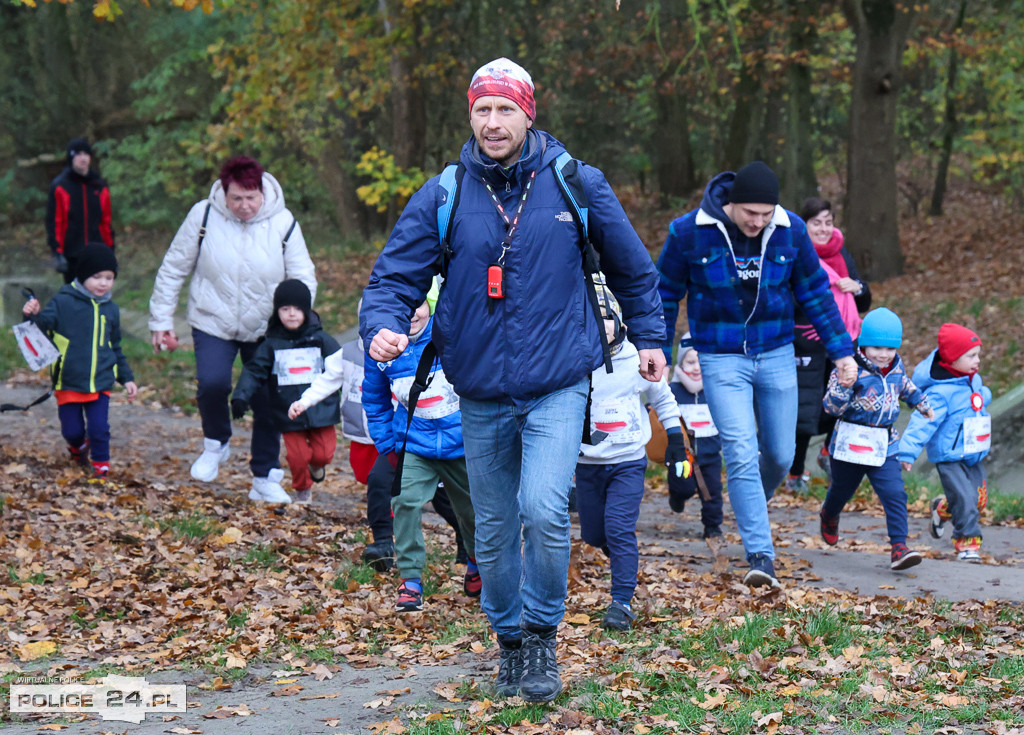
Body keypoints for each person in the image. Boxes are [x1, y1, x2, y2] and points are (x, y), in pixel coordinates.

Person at [360, 58, 666, 702]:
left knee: (545, 508)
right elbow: (393, 277)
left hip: (558, 379)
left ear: (530, 113)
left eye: (505, 109)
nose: (493, 122)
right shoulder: (445, 193)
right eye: (482, 109)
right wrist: (382, 326)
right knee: (494, 526)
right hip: (479, 387)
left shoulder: (575, 183)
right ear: (469, 114)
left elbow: (635, 270)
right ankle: (509, 641)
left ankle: (542, 636)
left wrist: (652, 339)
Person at [657, 161, 857, 588]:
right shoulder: (688, 232)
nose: (758, 222)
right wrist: (656, 346)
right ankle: (760, 555)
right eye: (750, 213)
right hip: (720, 354)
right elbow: (666, 293)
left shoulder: (791, 230)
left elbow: (815, 294)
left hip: (776, 351)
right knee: (741, 452)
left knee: (782, 455)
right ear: (730, 203)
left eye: (766, 214)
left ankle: (751, 503)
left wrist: (841, 352)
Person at [148, 156, 316, 502]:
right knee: (213, 384)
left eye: (251, 198)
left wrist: (296, 319)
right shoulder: (203, 216)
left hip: (267, 327)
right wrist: (161, 320)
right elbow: (173, 268)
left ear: (262, 192)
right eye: (236, 198)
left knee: (267, 400)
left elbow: (303, 276)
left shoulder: (283, 222)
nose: (244, 206)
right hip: (212, 318)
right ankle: (216, 443)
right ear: (224, 194)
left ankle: (265, 477)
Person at [289, 300, 470, 570]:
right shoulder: (353, 352)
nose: (409, 315)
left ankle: (466, 543)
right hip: (381, 437)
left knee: (443, 497)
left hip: (429, 442)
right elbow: (351, 389)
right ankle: (383, 543)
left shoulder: (432, 342)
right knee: (378, 482)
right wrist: (305, 401)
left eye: (417, 306)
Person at [574, 284, 688, 632]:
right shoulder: (574, 359)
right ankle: (624, 560)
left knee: (619, 529)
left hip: (627, 461)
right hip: (586, 462)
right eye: (595, 319)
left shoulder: (639, 359)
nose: (602, 325)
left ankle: (621, 602)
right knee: (594, 534)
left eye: (607, 318)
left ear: (619, 320)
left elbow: (664, 400)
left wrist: (676, 442)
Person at [360, 300, 478, 613]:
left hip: (461, 444)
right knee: (405, 502)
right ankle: (411, 580)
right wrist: (388, 443)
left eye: (419, 304)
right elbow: (374, 398)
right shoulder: (382, 346)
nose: (412, 313)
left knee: (470, 512)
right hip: (414, 443)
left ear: (432, 304)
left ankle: (477, 560)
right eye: (405, 306)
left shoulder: (453, 331)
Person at [818, 308, 934, 571]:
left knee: (894, 493)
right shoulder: (849, 368)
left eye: (890, 349)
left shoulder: (895, 367)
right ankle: (829, 513)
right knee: (842, 490)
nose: (883, 354)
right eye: (876, 347)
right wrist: (843, 387)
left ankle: (899, 547)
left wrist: (921, 402)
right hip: (851, 443)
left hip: (885, 442)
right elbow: (831, 408)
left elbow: (904, 385)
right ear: (863, 344)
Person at [21, 244, 137, 478]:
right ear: (83, 275)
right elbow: (43, 325)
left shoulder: (111, 309)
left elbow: (115, 347)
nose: (103, 283)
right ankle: (78, 447)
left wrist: (127, 378)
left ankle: (101, 466)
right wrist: (31, 314)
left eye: (109, 277)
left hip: (100, 381)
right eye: (97, 277)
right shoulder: (64, 302)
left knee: (99, 428)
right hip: (69, 380)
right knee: (72, 430)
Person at [786, 197, 871, 493]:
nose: (823, 229)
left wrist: (856, 287)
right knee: (806, 411)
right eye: (816, 223)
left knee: (843, 402)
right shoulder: (795, 252)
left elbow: (863, 300)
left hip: (844, 341)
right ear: (804, 225)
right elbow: (790, 297)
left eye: (828, 222)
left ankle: (828, 453)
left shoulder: (841, 252)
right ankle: (795, 473)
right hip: (807, 345)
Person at [231, 280, 340, 504]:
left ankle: (317, 467)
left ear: (307, 310)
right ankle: (302, 491)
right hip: (288, 412)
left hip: (321, 409)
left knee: (324, 453)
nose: (291, 314)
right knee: (298, 457)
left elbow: (342, 366)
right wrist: (241, 396)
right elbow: (254, 370)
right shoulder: (271, 344)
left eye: (297, 309)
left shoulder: (321, 340)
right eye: (285, 309)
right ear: (276, 311)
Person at [899, 324, 990, 563]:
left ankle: (942, 509)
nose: (977, 360)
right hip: (950, 456)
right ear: (952, 358)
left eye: (978, 354)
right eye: (971, 355)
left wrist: (984, 395)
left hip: (973, 452)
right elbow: (922, 422)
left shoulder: (972, 379)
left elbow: (977, 398)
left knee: (979, 499)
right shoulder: (939, 393)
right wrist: (907, 452)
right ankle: (967, 544)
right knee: (966, 500)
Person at [667, 333, 725, 549]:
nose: (696, 367)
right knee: (683, 486)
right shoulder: (673, 391)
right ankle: (677, 497)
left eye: (700, 361)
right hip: (682, 455)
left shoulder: (715, 392)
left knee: (712, 493)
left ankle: (712, 527)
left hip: (710, 454)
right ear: (681, 363)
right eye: (690, 362)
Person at [45, 138, 115, 284]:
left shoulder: (99, 186)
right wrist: (57, 252)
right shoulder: (61, 186)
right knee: (75, 299)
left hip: (97, 253)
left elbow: (105, 221)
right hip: (72, 255)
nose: (82, 158)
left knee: (96, 297)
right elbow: (55, 221)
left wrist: (110, 250)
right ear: (71, 157)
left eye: (86, 154)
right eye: (78, 154)